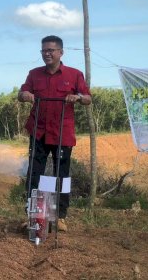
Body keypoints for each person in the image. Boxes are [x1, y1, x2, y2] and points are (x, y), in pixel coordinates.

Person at [18, 35, 91, 232]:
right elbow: (22, 93)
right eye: (44, 50)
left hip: (62, 134)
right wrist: (25, 95)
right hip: (38, 132)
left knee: (62, 176)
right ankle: (33, 214)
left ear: (61, 52)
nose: (47, 54)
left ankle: (60, 216)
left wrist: (77, 97)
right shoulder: (34, 74)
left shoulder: (74, 74)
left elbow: (87, 98)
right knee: (34, 175)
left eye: (51, 50)